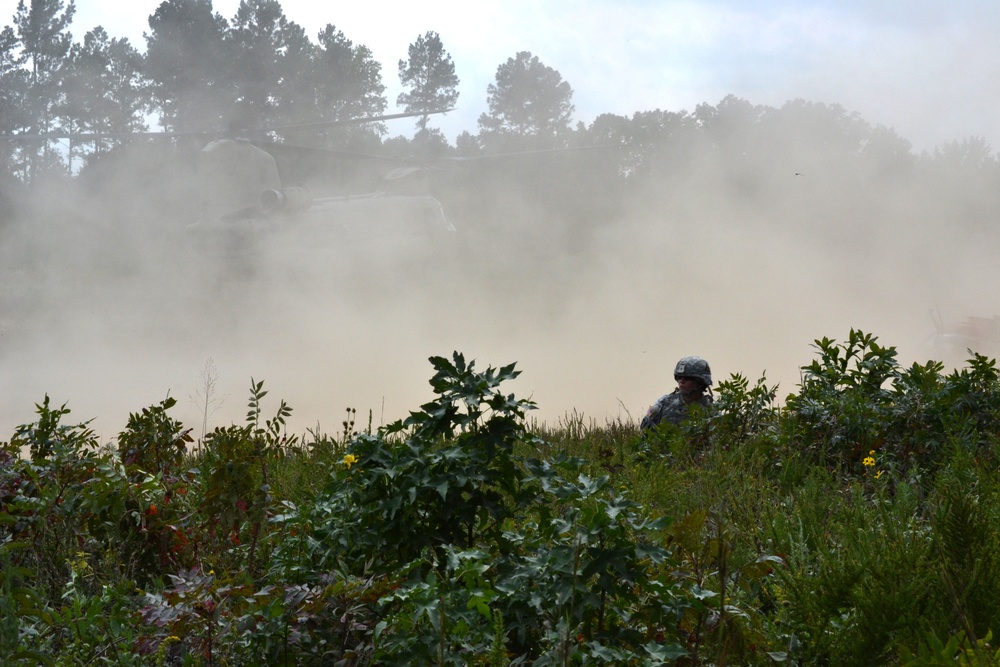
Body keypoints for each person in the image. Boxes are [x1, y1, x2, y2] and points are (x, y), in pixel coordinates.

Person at [640, 356, 714, 430]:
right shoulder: (664, 402)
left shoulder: (711, 410)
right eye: (679, 377)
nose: (682, 381)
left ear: (700, 382)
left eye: (687, 378)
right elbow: (645, 426)